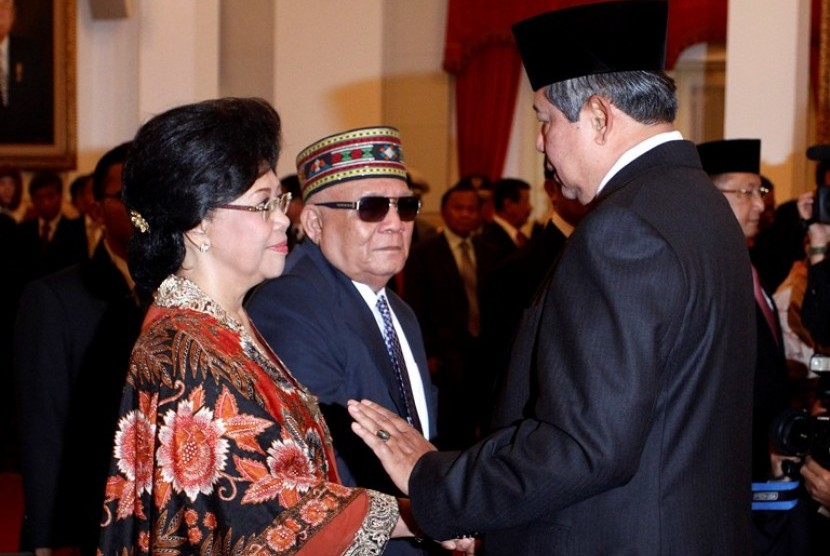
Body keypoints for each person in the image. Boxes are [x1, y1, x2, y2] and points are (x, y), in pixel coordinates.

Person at [347, 2, 757, 554]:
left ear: (598, 116)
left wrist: (437, 480)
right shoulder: (700, 204)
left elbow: (586, 446)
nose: (540, 143)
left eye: (544, 120)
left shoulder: (624, 229)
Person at [96, 99, 433, 555]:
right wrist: (424, 515)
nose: (282, 219)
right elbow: (270, 513)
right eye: (262, 205)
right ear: (198, 224)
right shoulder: (187, 347)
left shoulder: (224, 325)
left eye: (280, 201)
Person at [246, 126, 439, 556]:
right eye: (371, 209)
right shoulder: (291, 303)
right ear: (314, 222)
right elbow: (323, 467)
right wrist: (440, 514)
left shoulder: (397, 311)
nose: (394, 224)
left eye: (405, 207)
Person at [13, 142, 143, 556]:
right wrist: (50, 537)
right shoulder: (55, 298)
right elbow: (43, 428)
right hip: (86, 520)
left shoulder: (181, 296)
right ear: (97, 207)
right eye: (126, 196)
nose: (141, 209)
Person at [697, 138, 809, 554]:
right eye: (746, 192)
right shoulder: (705, 271)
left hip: (761, 465)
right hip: (722, 474)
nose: (760, 205)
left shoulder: (746, 262)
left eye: (759, 192)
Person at [478, 159, 589, 435]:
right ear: (551, 190)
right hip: (532, 425)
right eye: (578, 182)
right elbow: (497, 361)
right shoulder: (517, 269)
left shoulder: (605, 253)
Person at [403, 182, 495, 449]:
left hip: (483, 356)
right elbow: (416, 305)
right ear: (444, 211)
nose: (465, 214)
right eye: (458, 208)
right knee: (449, 428)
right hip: (444, 357)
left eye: (471, 209)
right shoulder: (425, 253)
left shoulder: (490, 251)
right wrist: (427, 352)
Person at [13, 171, 87, 284]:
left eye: (50, 196)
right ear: (32, 200)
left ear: (60, 196)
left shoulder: (76, 230)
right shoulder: (22, 231)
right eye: (39, 198)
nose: (45, 203)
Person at [0, 0, 53, 144]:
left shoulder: (30, 54)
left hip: (26, 149)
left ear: (13, 15)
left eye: (4, 6)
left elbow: (40, 109)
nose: (0, 13)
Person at [478, 177, 532, 262]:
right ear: (508, 205)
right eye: (526, 202)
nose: (530, 208)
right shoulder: (488, 240)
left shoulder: (523, 239)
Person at [69, 172, 102, 257]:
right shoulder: (67, 229)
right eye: (93, 191)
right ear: (82, 197)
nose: (98, 196)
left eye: (101, 190)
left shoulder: (119, 227)